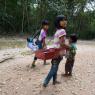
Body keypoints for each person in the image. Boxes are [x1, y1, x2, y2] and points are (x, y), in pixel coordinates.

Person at [43, 15, 67, 87]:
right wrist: (68, 48)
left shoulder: (58, 31)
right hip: (58, 52)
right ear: (58, 22)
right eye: (63, 20)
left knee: (55, 66)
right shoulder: (62, 31)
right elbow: (62, 43)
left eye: (65, 20)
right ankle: (46, 81)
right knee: (54, 67)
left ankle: (54, 81)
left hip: (54, 51)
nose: (65, 21)